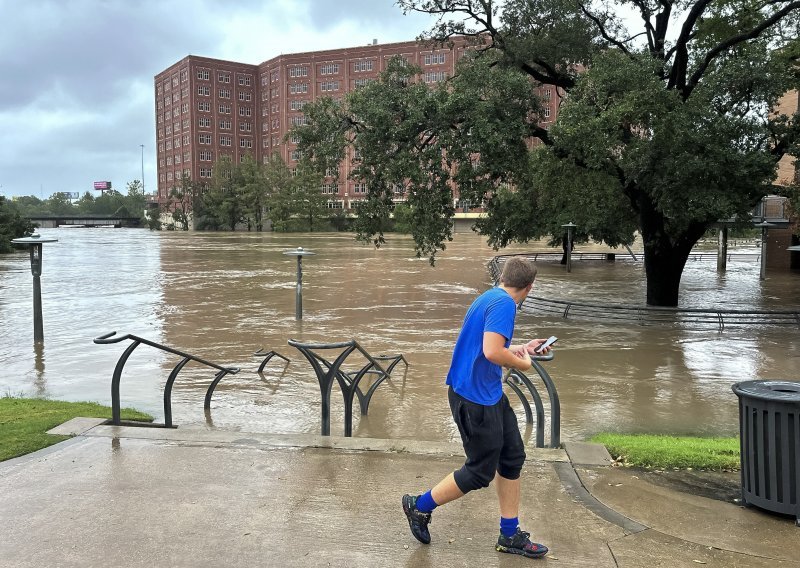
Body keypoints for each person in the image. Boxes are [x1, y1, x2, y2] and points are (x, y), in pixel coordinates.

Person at [402, 256, 550, 559]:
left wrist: (523, 348)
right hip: (475, 401)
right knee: (480, 472)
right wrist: (524, 363)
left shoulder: (489, 296)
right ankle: (419, 506)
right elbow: (492, 351)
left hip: (487, 395)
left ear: (504, 276)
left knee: (512, 457)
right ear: (529, 287)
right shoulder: (506, 305)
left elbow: (487, 347)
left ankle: (509, 535)